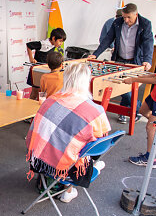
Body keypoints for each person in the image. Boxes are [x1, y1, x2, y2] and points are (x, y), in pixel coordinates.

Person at [26, 63, 111, 203]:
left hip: (39, 161)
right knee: (87, 147)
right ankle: (68, 191)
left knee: (69, 142)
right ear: (86, 81)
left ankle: (65, 185)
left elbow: (32, 135)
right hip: (71, 170)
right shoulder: (96, 111)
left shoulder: (49, 101)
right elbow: (103, 138)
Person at [90, 3, 154, 124]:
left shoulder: (145, 24)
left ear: (136, 14)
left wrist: (147, 60)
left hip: (135, 61)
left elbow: (148, 43)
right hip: (119, 59)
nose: (126, 20)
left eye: (128, 17)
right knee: (123, 87)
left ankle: (128, 111)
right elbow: (108, 39)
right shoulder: (117, 22)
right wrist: (96, 54)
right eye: (124, 17)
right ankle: (133, 110)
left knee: (127, 88)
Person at [123, 27, 156, 168]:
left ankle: (150, 159)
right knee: (142, 110)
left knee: (150, 127)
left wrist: (134, 80)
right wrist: (137, 76)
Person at [26, 28, 66, 100]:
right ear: (54, 38)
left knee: (42, 94)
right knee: (34, 93)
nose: (61, 43)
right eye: (60, 41)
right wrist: (31, 58)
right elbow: (29, 45)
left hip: (45, 71)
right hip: (36, 71)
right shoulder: (43, 44)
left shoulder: (54, 45)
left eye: (62, 42)